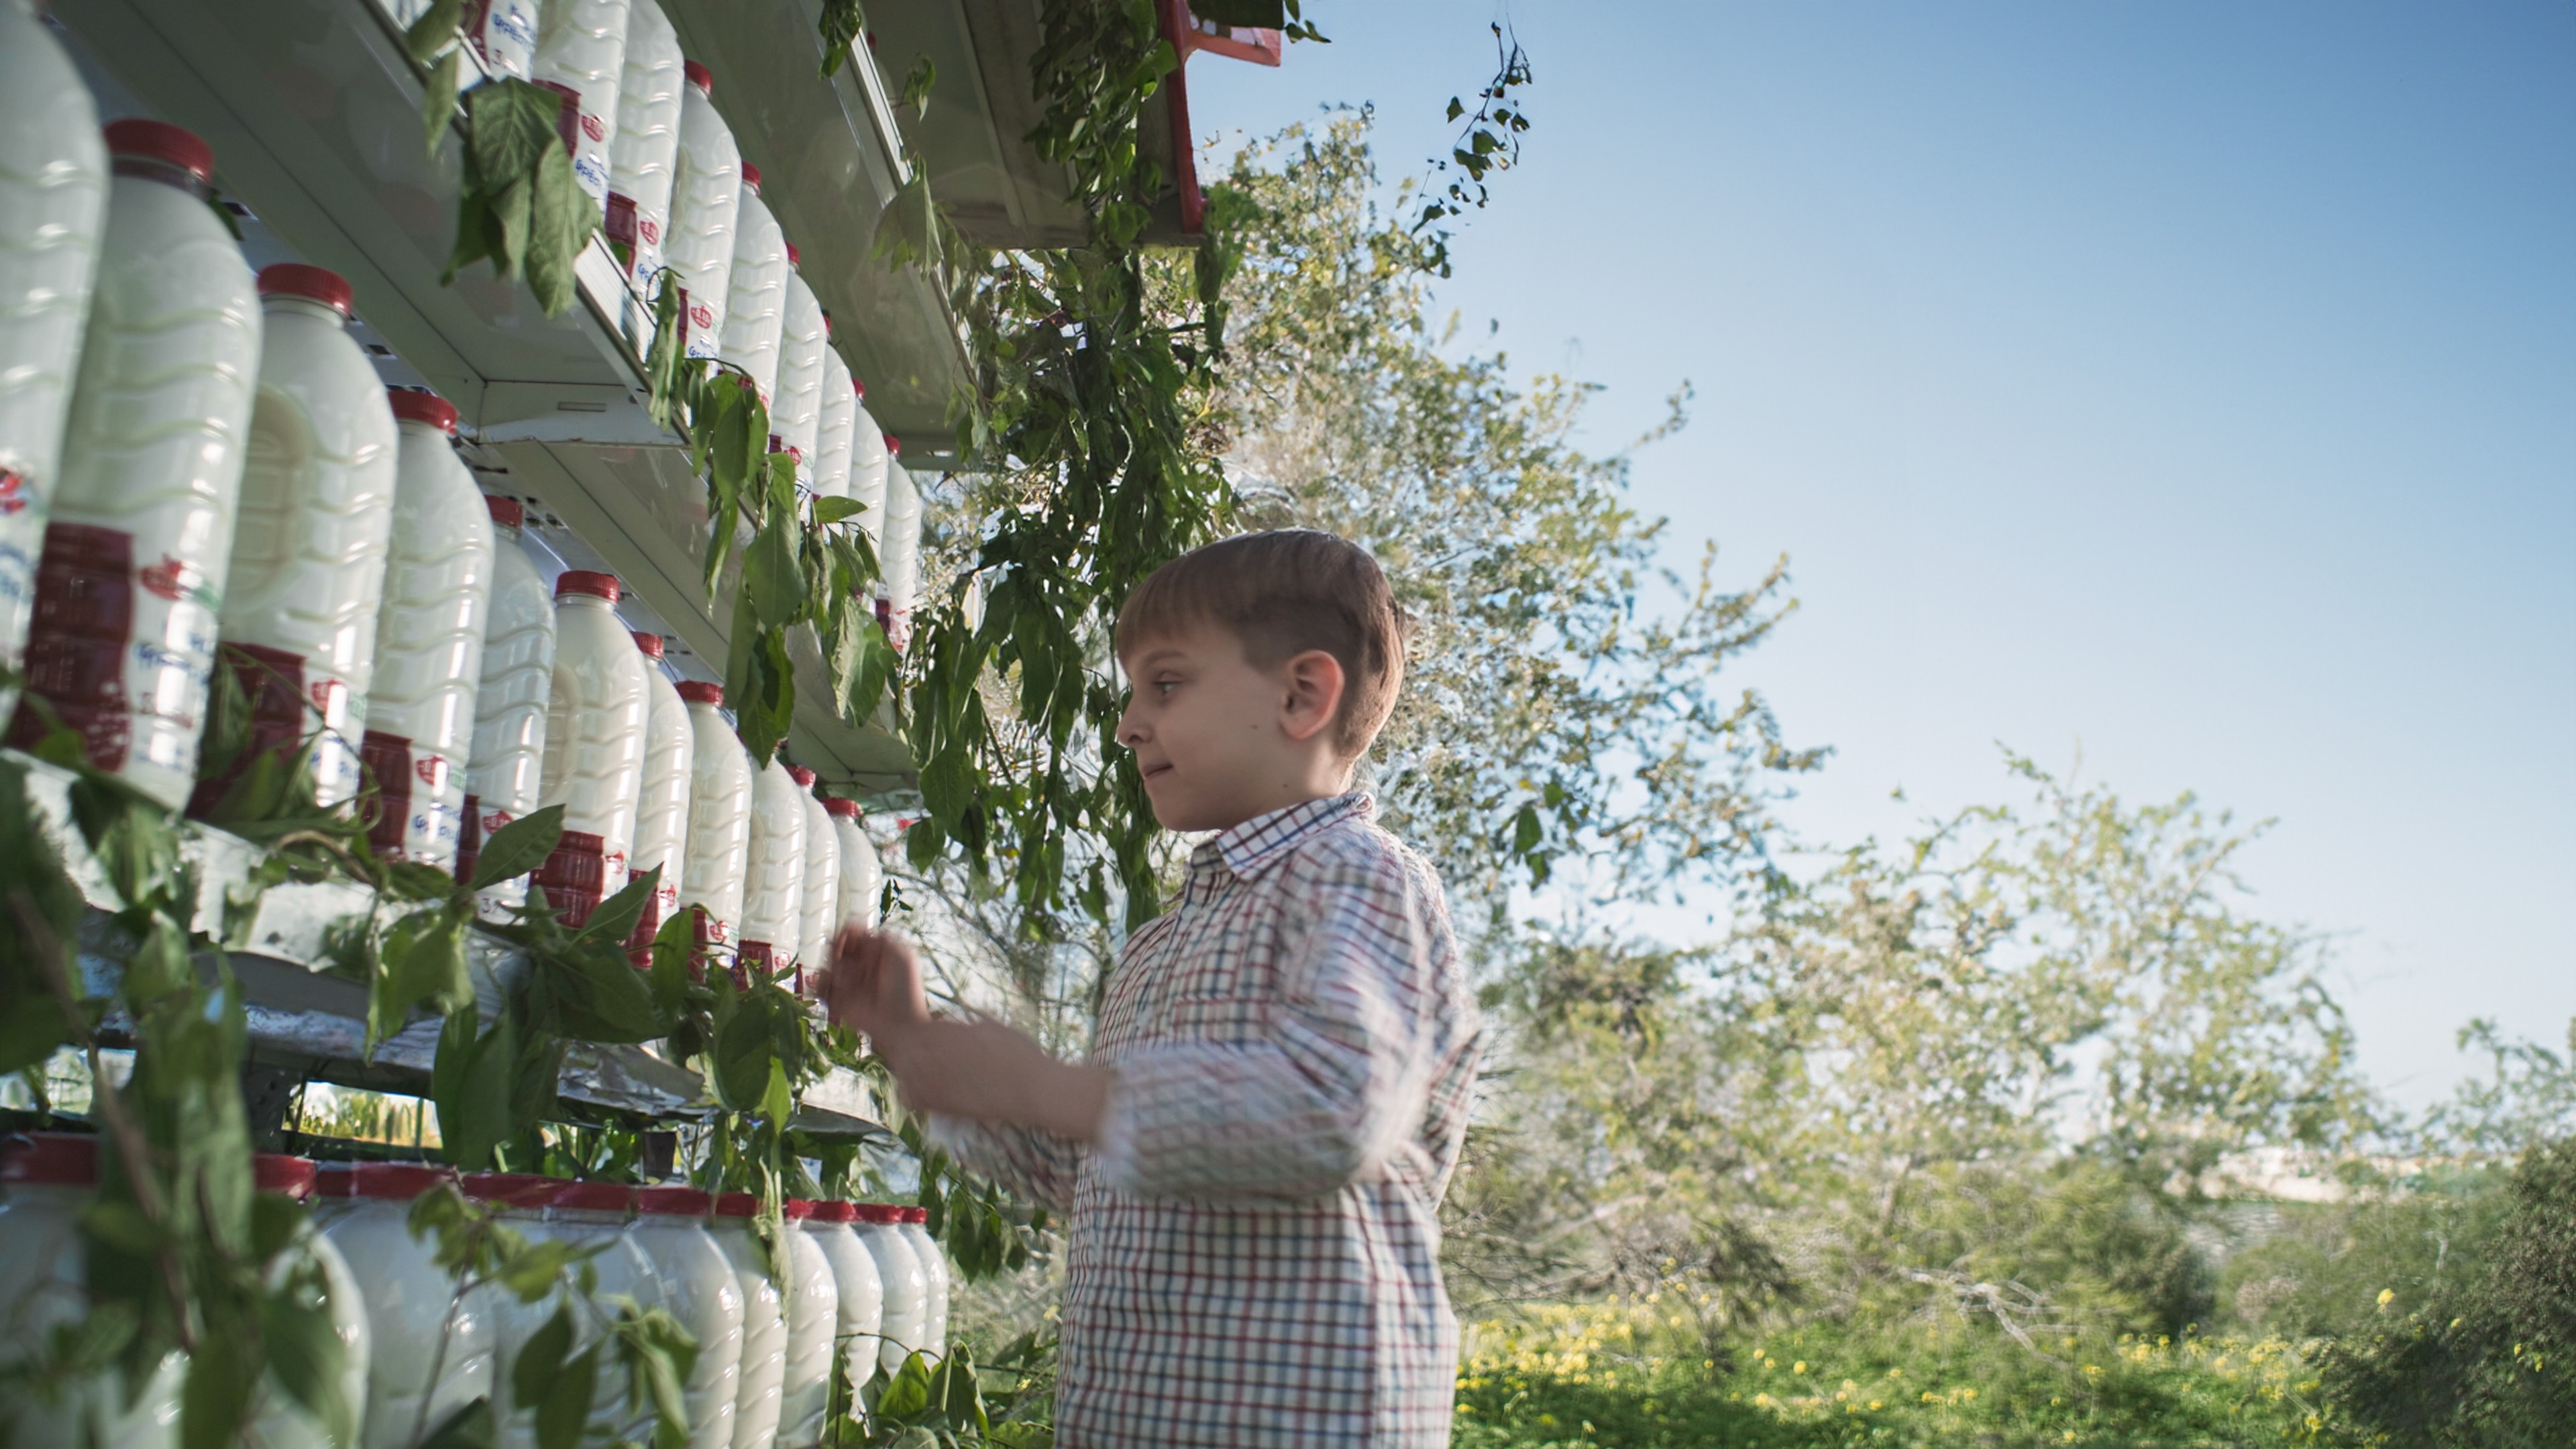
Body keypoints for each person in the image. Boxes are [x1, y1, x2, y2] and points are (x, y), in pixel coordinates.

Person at [822, 529, 1483, 1447]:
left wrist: (1050, 1086)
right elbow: (1088, 1171)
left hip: (1299, 1421)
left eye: (1165, 686)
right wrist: (922, 1049)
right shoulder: (1159, 946)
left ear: (1303, 695)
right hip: (1136, 1413)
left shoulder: (1359, 880)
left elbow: (1335, 1110)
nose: (1130, 723)